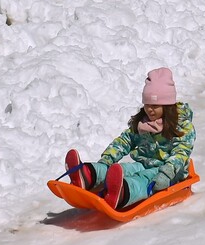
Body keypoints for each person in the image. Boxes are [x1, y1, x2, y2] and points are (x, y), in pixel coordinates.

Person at [63, 67, 196, 211]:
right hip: (143, 163)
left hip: (169, 173)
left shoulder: (181, 126)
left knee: (143, 179)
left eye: (155, 106)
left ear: (167, 106)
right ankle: (87, 174)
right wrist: (108, 158)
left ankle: (121, 193)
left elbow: (181, 153)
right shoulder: (143, 124)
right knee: (121, 170)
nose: (150, 109)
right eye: (147, 105)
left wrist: (166, 173)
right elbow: (125, 141)